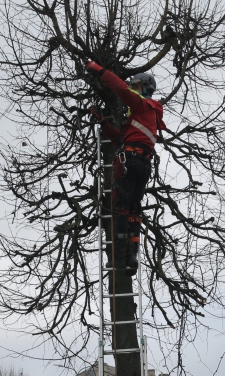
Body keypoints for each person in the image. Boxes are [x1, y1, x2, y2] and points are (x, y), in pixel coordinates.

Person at [86, 60, 166, 275]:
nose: (131, 89)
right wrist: (103, 122)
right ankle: (131, 257)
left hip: (130, 161)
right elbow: (120, 138)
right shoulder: (143, 118)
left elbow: (121, 89)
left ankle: (119, 257)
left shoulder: (143, 105)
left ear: (145, 88)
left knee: (120, 208)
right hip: (141, 163)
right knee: (133, 209)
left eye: (135, 86)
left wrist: (99, 69)